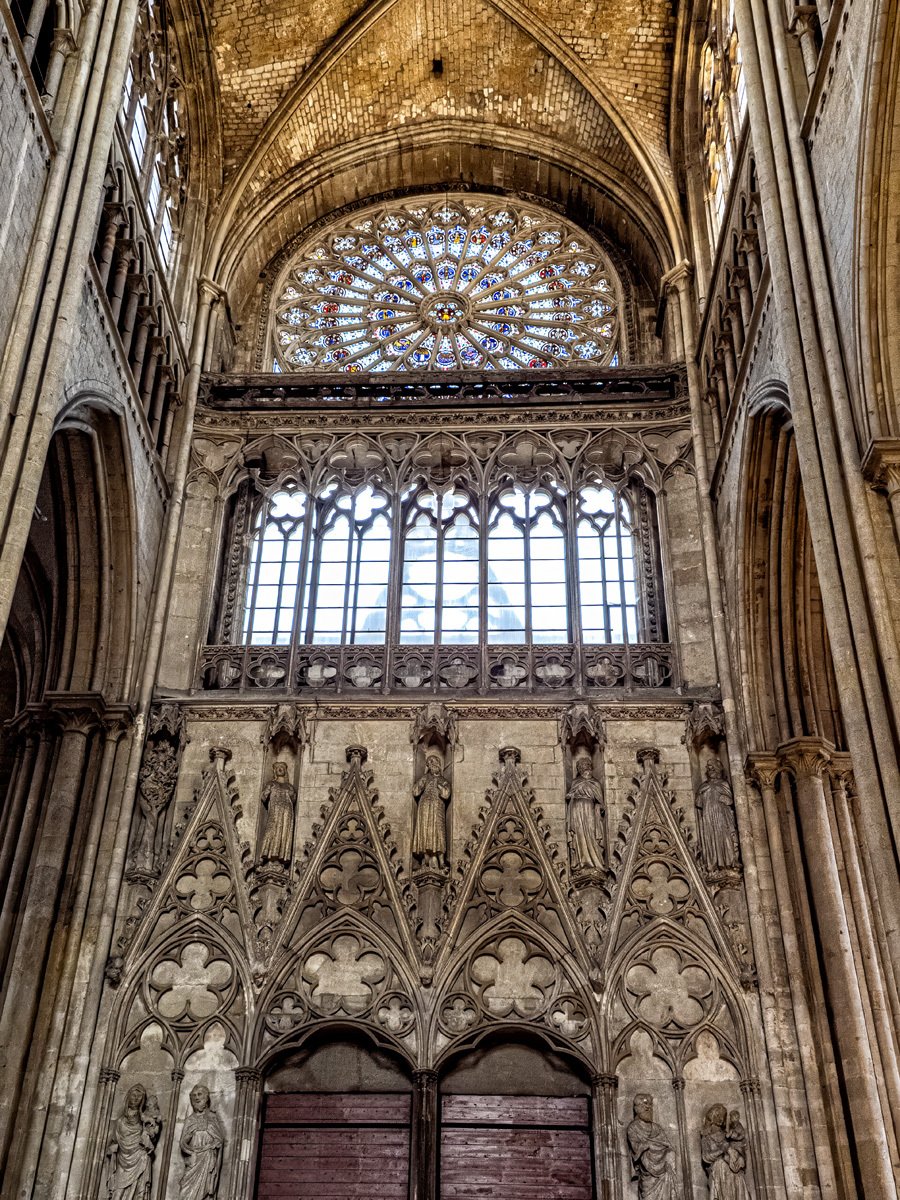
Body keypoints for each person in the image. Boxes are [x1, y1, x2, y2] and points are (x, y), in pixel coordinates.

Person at [105, 1084, 161, 1200]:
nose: (135, 1099)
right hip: (122, 1159)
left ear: (142, 1101)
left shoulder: (144, 1119)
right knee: (117, 1193)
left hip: (139, 1157)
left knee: (139, 1191)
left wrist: (150, 1129)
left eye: (139, 1097)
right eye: (133, 1095)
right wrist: (112, 1147)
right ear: (128, 1096)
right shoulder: (120, 1121)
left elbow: (152, 1136)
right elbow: (112, 1142)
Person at [626, 1093, 678, 1199]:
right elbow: (636, 1149)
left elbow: (668, 1146)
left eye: (650, 1105)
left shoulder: (656, 1128)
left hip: (664, 1172)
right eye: (644, 1105)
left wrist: (658, 1148)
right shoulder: (633, 1128)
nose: (648, 1107)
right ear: (637, 1108)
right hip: (647, 1173)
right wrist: (647, 1145)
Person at [179, 1084, 226, 1200]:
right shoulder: (190, 1120)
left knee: (205, 1191)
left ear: (206, 1098)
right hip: (194, 1158)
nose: (196, 1098)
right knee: (185, 1191)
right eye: (194, 1095)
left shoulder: (212, 1117)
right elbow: (182, 1143)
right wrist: (191, 1151)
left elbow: (219, 1139)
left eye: (199, 1094)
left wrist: (212, 1144)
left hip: (207, 1158)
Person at [695, 758, 740, 875]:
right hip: (708, 817)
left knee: (724, 837)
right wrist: (701, 794)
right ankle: (712, 864)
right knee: (710, 838)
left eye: (713, 768)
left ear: (718, 769)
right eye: (709, 769)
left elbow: (731, 801)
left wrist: (727, 799)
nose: (710, 770)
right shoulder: (703, 786)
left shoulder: (724, 784)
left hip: (721, 815)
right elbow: (698, 803)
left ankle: (728, 862)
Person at [700, 1104, 751, 1199]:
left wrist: (740, 1158)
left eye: (723, 1115)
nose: (721, 1118)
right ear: (712, 1116)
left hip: (733, 1170)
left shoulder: (727, 1135)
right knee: (720, 1164)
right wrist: (722, 1150)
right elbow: (706, 1157)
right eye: (718, 1115)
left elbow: (738, 1148)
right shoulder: (707, 1137)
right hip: (718, 1170)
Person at [565, 755, 606, 872]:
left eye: (588, 764)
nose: (586, 766)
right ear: (579, 768)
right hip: (576, 811)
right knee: (579, 833)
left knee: (591, 832)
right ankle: (581, 862)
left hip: (590, 809)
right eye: (583, 765)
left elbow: (601, 802)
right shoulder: (575, 782)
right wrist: (570, 796)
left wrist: (599, 807)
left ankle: (595, 861)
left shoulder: (595, 783)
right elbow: (569, 795)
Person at [412, 751, 451, 869]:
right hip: (424, 808)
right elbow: (415, 791)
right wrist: (423, 782)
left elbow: (446, 794)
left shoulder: (443, 780)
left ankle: (441, 861)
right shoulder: (425, 778)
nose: (432, 765)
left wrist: (437, 783)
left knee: (439, 831)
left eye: (434, 762)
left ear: (438, 765)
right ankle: (425, 860)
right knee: (425, 831)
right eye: (430, 764)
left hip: (437, 808)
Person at [258, 760, 296, 866]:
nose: (280, 769)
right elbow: (263, 797)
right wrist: (268, 790)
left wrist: (291, 794)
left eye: (282, 767)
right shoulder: (271, 784)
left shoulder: (289, 786)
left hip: (286, 812)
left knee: (284, 832)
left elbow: (293, 799)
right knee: (272, 829)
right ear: (275, 771)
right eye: (278, 767)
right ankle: (267, 854)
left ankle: (281, 856)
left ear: (285, 771)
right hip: (275, 810)